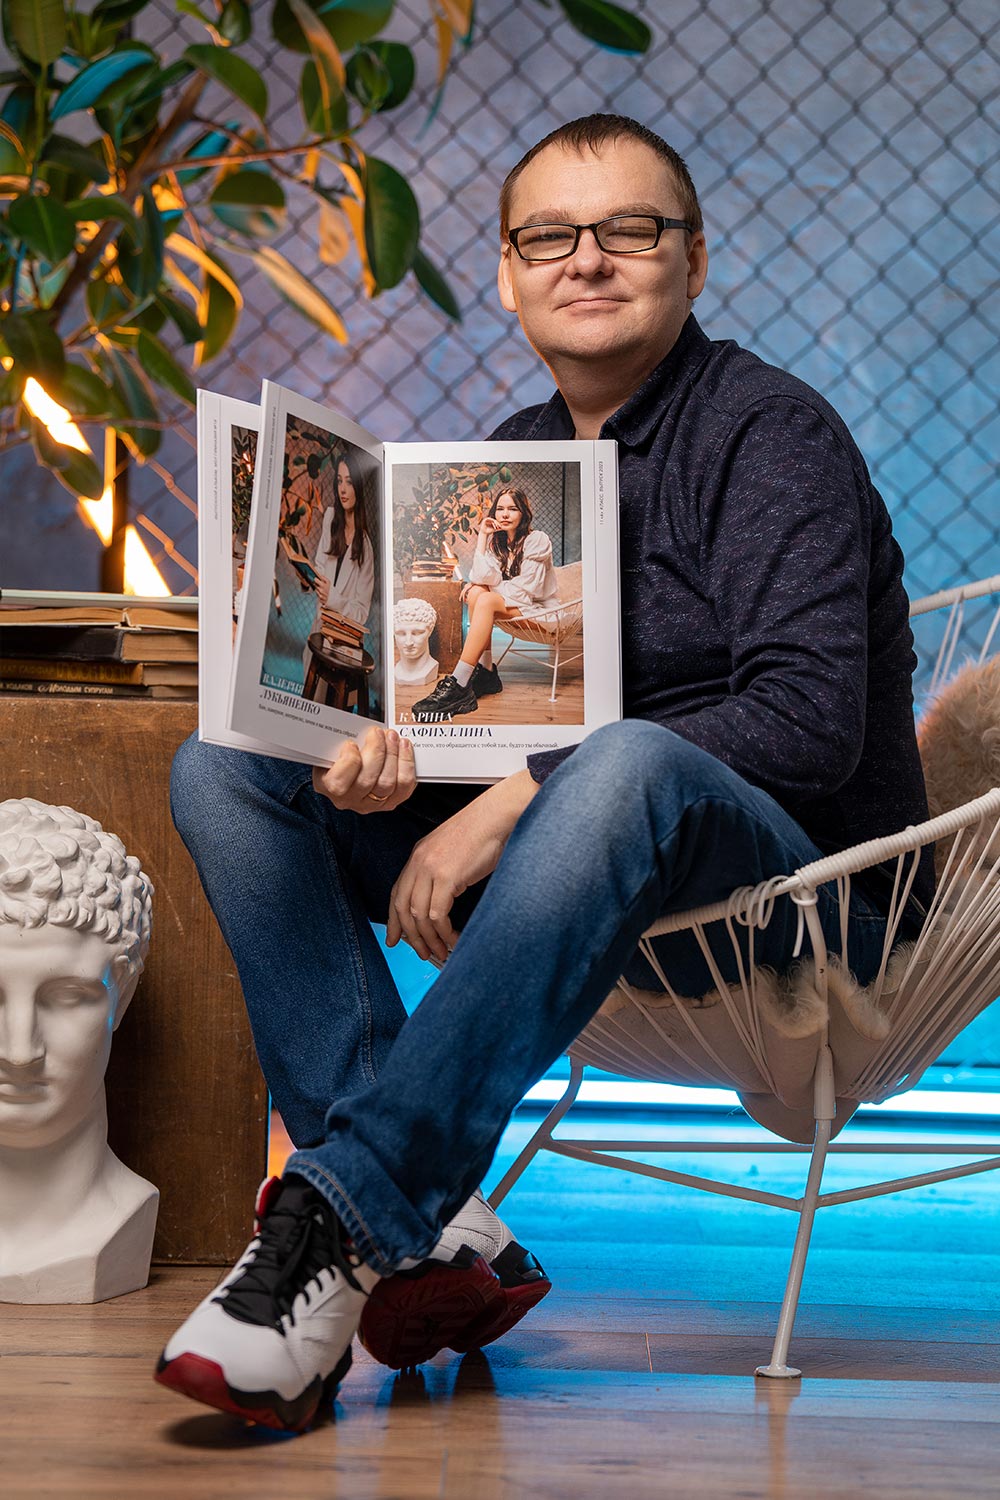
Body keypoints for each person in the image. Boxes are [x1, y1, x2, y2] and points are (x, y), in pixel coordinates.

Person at [158, 114, 932, 1431]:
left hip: (803, 911)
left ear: (692, 259)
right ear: (509, 277)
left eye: (629, 228)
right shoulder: (515, 456)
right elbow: (476, 709)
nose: (588, 259)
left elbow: (808, 726)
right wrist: (389, 755)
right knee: (229, 764)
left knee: (628, 763)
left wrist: (516, 797)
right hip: (574, 892)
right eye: (548, 238)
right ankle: (432, 1226)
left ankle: (338, 1224)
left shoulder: (771, 432)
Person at [412, 487, 559, 718]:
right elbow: (481, 577)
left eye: (513, 509)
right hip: (517, 606)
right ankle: (487, 672)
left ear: (524, 513)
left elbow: (527, 591)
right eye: (500, 509)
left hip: (540, 612)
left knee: (485, 597)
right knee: (476, 592)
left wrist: (487, 588)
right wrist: (482, 535)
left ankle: (459, 682)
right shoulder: (498, 543)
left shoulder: (537, 540)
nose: (505, 514)